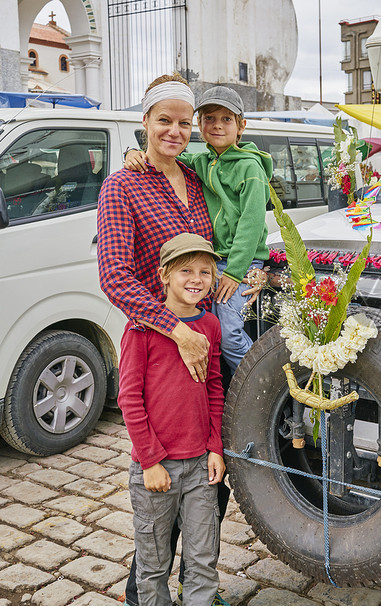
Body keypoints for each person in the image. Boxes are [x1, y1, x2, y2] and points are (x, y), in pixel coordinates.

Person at [97, 74, 232, 606]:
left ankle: (197, 584)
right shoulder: (122, 185)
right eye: (164, 120)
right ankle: (144, 592)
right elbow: (115, 276)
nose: (174, 131)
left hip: (205, 334)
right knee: (160, 494)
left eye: (183, 122)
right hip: (160, 342)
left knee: (206, 477)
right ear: (145, 123)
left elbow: (212, 250)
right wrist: (175, 329)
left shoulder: (196, 180)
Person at [125, 85, 271, 375]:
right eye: (209, 118)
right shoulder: (201, 163)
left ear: (242, 126)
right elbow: (167, 158)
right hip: (209, 275)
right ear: (200, 125)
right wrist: (132, 152)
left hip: (235, 266)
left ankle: (260, 384)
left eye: (226, 119)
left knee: (228, 335)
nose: (217, 125)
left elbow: (252, 224)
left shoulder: (250, 168)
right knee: (219, 334)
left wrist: (238, 271)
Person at [119, 233, 225, 606]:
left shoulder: (210, 325)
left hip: (199, 466)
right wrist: (149, 461)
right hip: (156, 468)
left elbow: (214, 387)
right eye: (185, 270)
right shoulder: (140, 329)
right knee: (153, 563)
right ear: (164, 274)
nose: (196, 279)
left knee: (202, 558)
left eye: (205, 272)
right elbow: (129, 398)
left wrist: (215, 448)